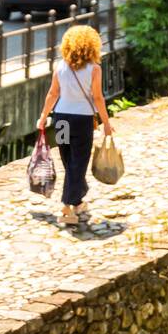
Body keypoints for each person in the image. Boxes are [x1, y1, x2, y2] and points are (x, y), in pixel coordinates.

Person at [37, 25, 113, 226]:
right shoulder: (94, 69)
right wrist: (106, 122)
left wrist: (44, 116)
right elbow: (97, 97)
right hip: (82, 120)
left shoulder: (60, 67)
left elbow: (52, 94)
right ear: (92, 46)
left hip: (61, 119)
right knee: (78, 162)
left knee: (69, 160)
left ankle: (78, 202)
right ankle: (67, 206)